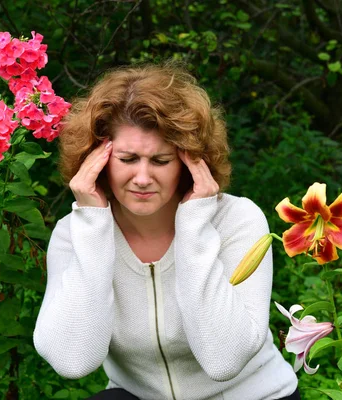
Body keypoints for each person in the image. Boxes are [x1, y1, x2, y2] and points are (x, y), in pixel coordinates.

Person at [33, 63, 300, 400]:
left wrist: (194, 225)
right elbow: (71, 361)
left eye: (160, 161)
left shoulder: (237, 220)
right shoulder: (75, 233)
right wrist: (91, 221)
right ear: (96, 159)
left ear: (189, 161)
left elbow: (224, 360)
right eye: (128, 159)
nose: (143, 178)